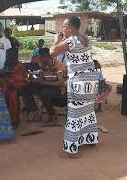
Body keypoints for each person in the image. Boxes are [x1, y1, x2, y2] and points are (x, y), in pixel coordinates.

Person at [50, 16, 99, 155]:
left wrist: (56, 41)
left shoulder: (70, 41)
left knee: (74, 114)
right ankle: (90, 140)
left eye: (64, 27)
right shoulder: (85, 39)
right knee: (88, 111)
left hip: (79, 82)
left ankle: (72, 148)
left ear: (70, 28)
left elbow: (52, 52)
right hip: (91, 80)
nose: (62, 29)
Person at [25, 48, 67, 124]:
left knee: (44, 94)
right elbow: (41, 78)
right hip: (47, 86)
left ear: (45, 57)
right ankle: (34, 110)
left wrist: (42, 82)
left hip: (59, 89)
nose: (39, 60)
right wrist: (33, 78)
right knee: (26, 87)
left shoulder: (60, 66)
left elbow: (60, 83)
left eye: (40, 58)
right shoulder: (43, 65)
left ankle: (53, 114)